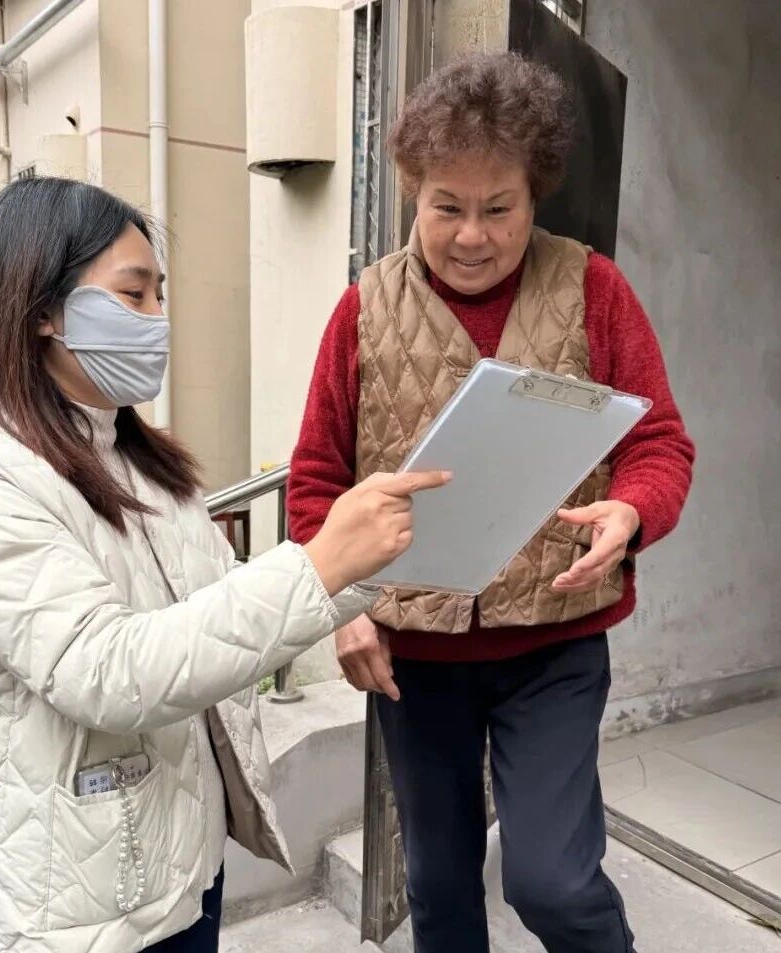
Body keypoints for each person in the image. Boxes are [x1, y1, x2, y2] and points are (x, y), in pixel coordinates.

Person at [0, 177, 449, 953]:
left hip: (178, 867)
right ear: (42, 311)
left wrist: (356, 573)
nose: (158, 318)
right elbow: (107, 670)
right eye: (133, 294)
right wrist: (319, 565)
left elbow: (220, 614)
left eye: (160, 293)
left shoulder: (142, 463)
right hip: (70, 916)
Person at [288, 53, 695, 953]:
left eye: (498, 208)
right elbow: (315, 480)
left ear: (534, 194)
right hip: (413, 656)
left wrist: (631, 511)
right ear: (412, 191)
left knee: (553, 882)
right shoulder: (362, 309)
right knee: (437, 887)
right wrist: (343, 608)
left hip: (554, 645)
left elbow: (658, 441)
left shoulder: (593, 289)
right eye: (447, 207)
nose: (471, 236)